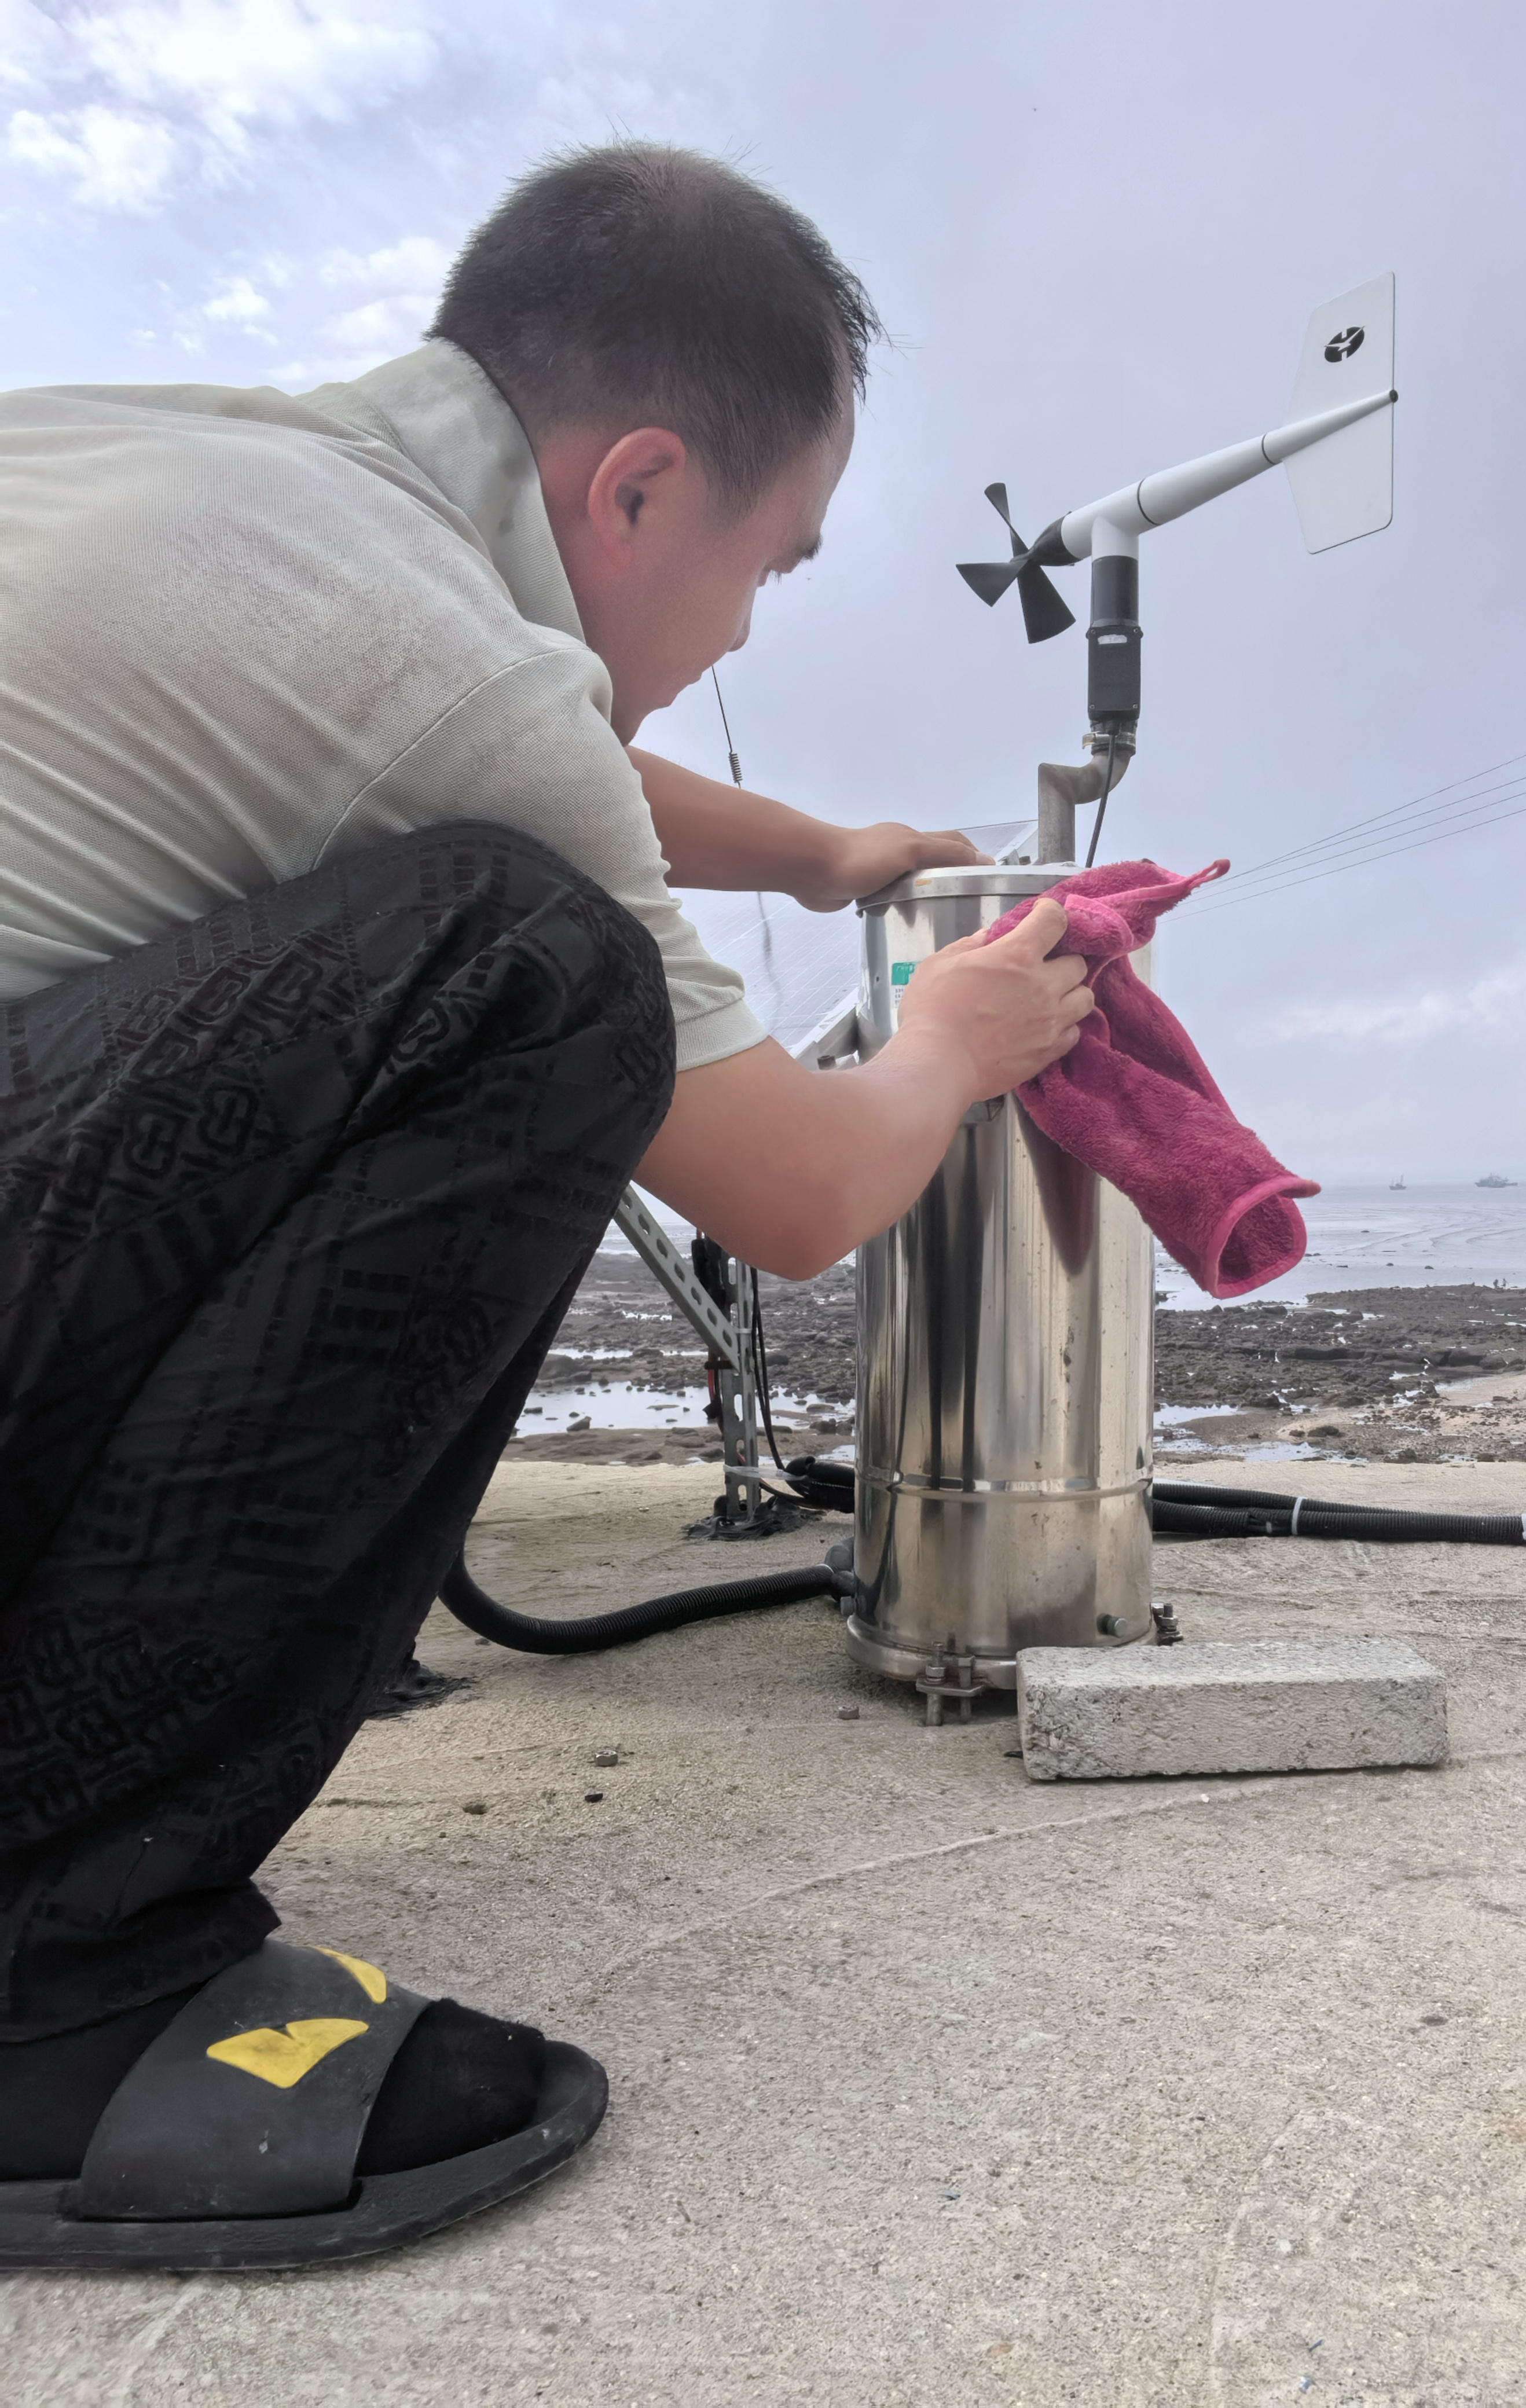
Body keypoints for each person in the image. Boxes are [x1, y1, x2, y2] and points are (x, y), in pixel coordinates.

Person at [0, 144, 1093, 2266]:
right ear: (639, 488)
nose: (750, 619)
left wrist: (820, 857)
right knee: (531, 982)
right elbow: (796, 1191)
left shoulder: (189, 461)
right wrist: (956, 1038)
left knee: (496, 923)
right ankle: (60, 1972)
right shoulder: (442, 674)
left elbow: (515, 712)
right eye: (772, 564)